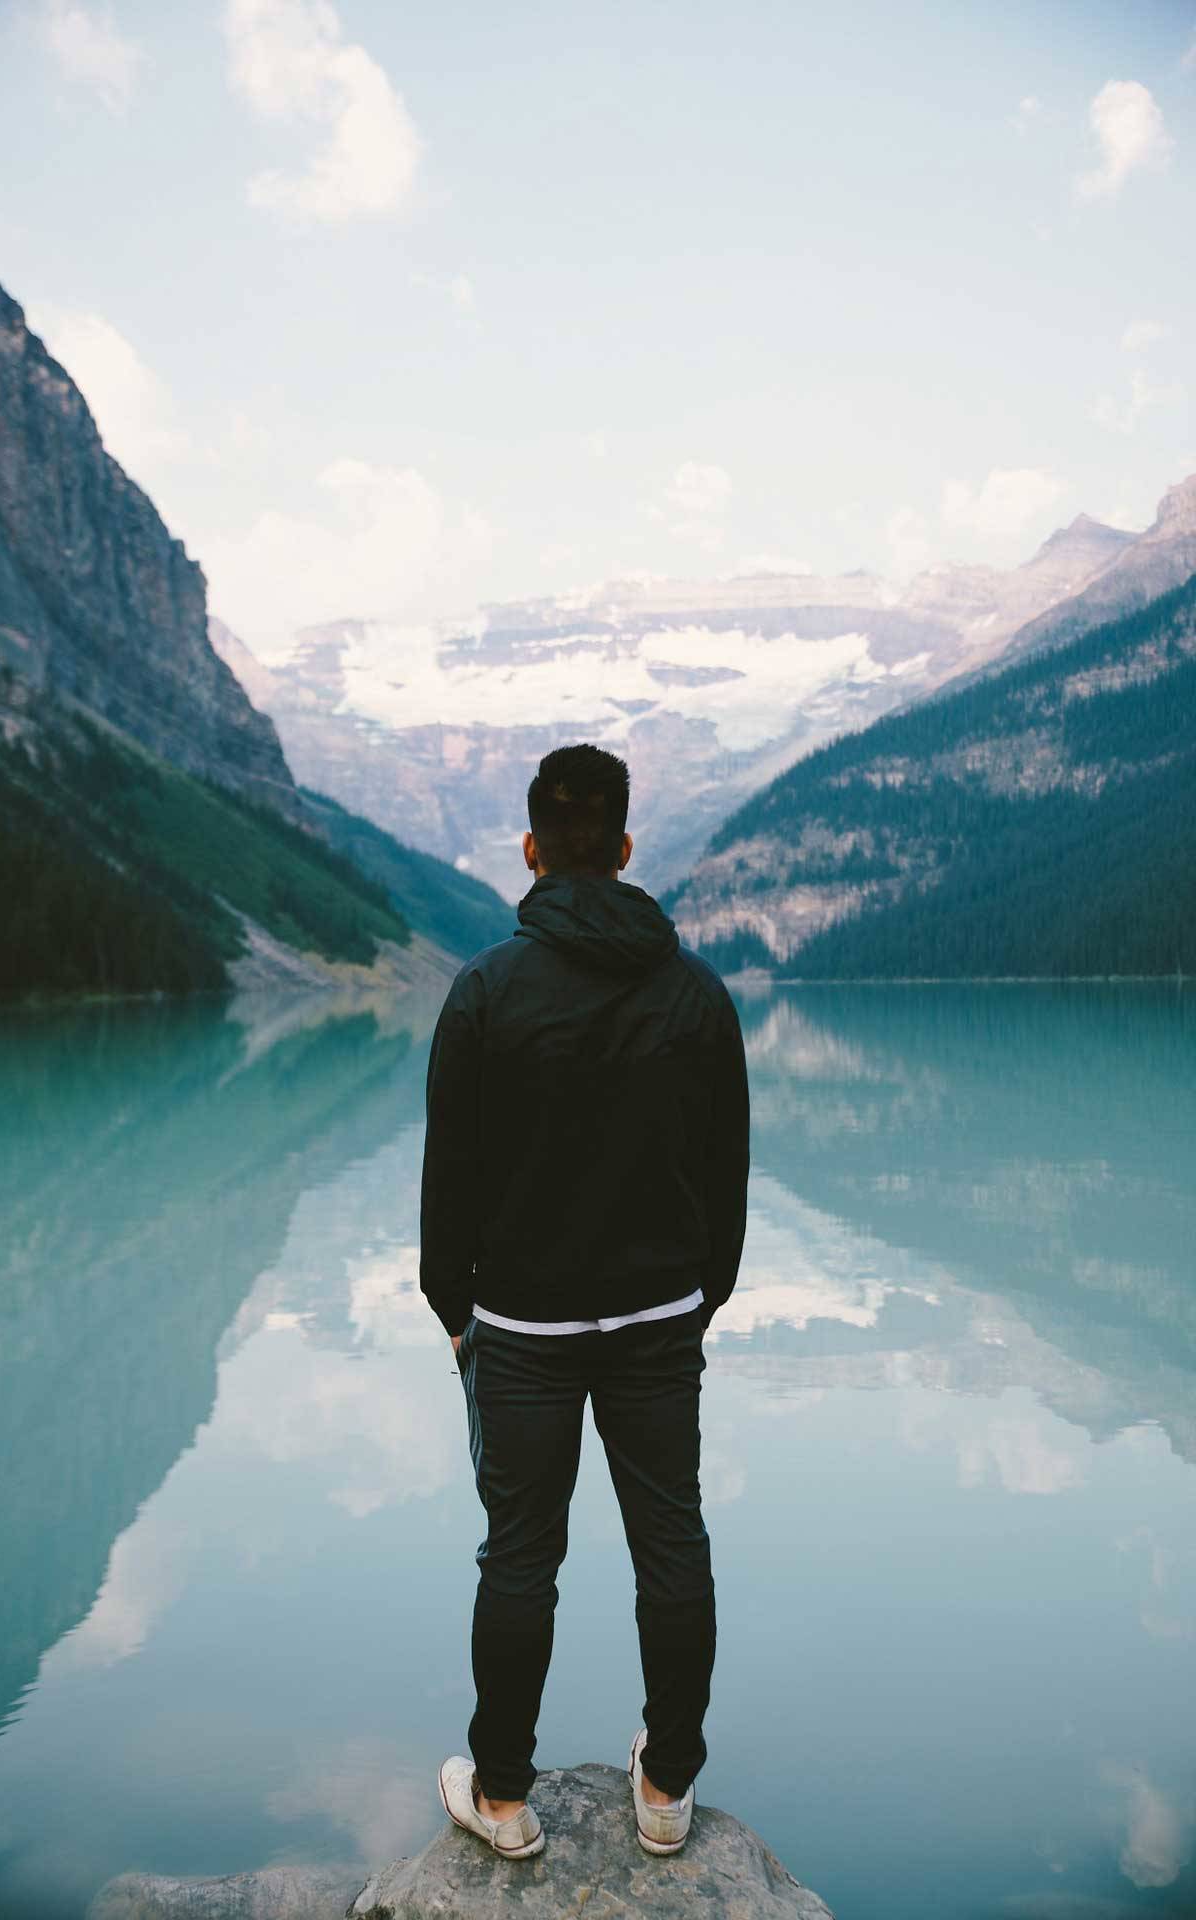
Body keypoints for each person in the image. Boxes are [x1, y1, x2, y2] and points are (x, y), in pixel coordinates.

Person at [419, 741, 750, 1859]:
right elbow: (726, 1174)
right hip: (659, 1317)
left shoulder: (482, 993)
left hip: (520, 1325)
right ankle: (664, 1790)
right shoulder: (695, 994)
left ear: (530, 851)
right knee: (673, 1544)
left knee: (519, 1554)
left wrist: (452, 1306)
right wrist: (698, 1301)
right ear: (620, 848)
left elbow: (447, 1178)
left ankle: (503, 1800)